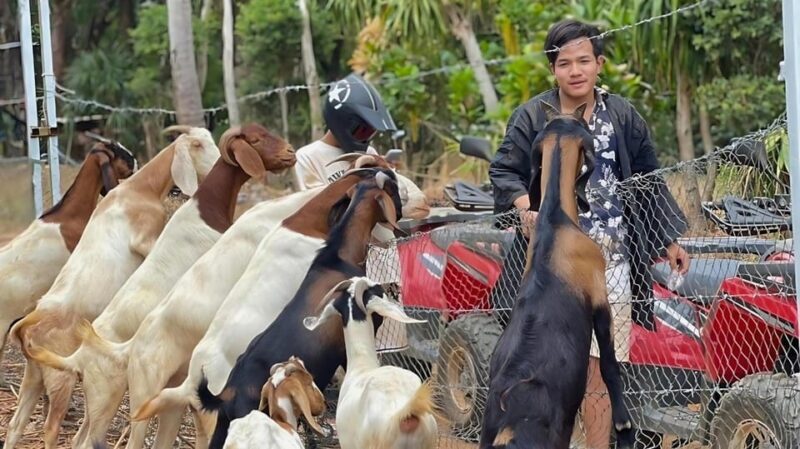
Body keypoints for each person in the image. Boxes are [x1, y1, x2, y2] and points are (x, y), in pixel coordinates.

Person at [488, 19, 691, 449]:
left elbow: (649, 178)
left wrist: (668, 237)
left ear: (599, 64)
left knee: (599, 369)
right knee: (540, 366)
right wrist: (527, 208)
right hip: (550, 268)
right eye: (565, 63)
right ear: (553, 69)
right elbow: (503, 171)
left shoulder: (623, 116)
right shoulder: (532, 117)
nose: (575, 71)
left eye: (584, 60)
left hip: (610, 265)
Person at [293, 72, 398, 190]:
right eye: (363, 131)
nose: (366, 139)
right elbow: (313, 205)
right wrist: (352, 176)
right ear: (343, 123)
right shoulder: (307, 157)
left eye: (371, 133)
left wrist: (389, 174)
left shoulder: (369, 152)